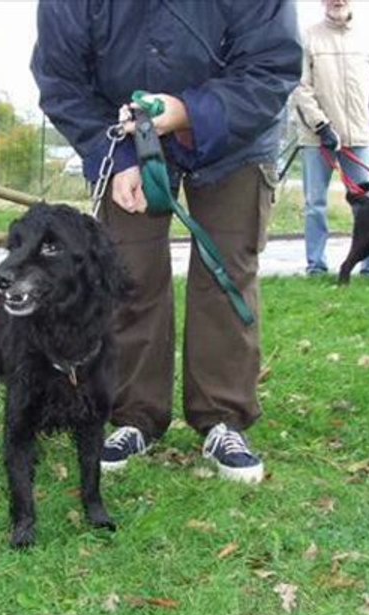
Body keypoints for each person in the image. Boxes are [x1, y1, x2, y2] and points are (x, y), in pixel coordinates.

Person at [30, 2, 302, 482]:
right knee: (127, 273)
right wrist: (108, 152)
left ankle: (222, 416)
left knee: (226, 273)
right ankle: (134, 414)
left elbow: (271, 63)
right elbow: (61, 77)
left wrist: (186, 112)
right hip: (124, 134)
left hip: (236, 135)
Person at [292, 0, 369, 278]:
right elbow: (300, 86)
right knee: (315, 205)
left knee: (367, 207)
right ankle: (316, 267)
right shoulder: (307, 37)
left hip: (359, 137)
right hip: (317, 139)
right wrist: (321, 126)